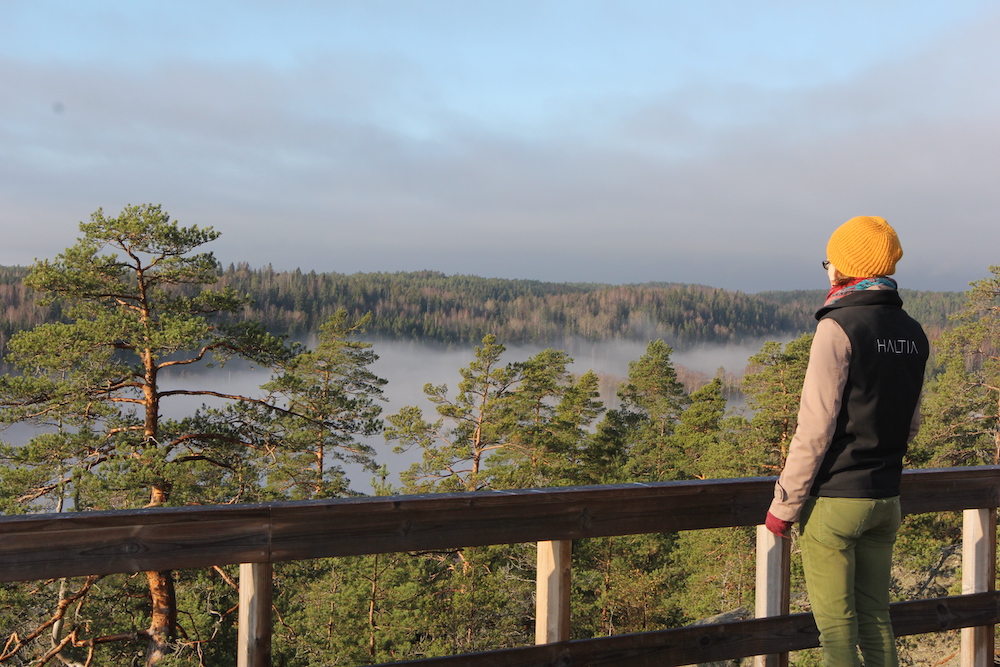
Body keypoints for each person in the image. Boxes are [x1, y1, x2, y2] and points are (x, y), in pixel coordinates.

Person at [765, 216, 928, 667]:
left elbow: (815, 428)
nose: (827, 269)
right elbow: (910, 423)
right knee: (877, 620)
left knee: (836, 631)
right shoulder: (913, 331)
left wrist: (784, 505)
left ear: (844, 269)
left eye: (829, 261)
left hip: (835, 502)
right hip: (886, 498)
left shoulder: (837, 327)